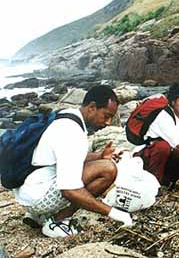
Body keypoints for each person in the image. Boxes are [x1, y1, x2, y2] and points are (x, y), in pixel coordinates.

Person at [13, 85, 132, 238]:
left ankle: (38, 216)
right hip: (37, 198)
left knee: (103, 164)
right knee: (108, 170)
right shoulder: (72, 132)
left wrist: (100, 155)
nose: (108, 122)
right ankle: (58, 221)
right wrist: (114, 213)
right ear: (92, 107)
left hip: (29, 188)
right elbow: (69, 190)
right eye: (106, 115)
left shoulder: (66, 116)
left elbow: (69, 157)